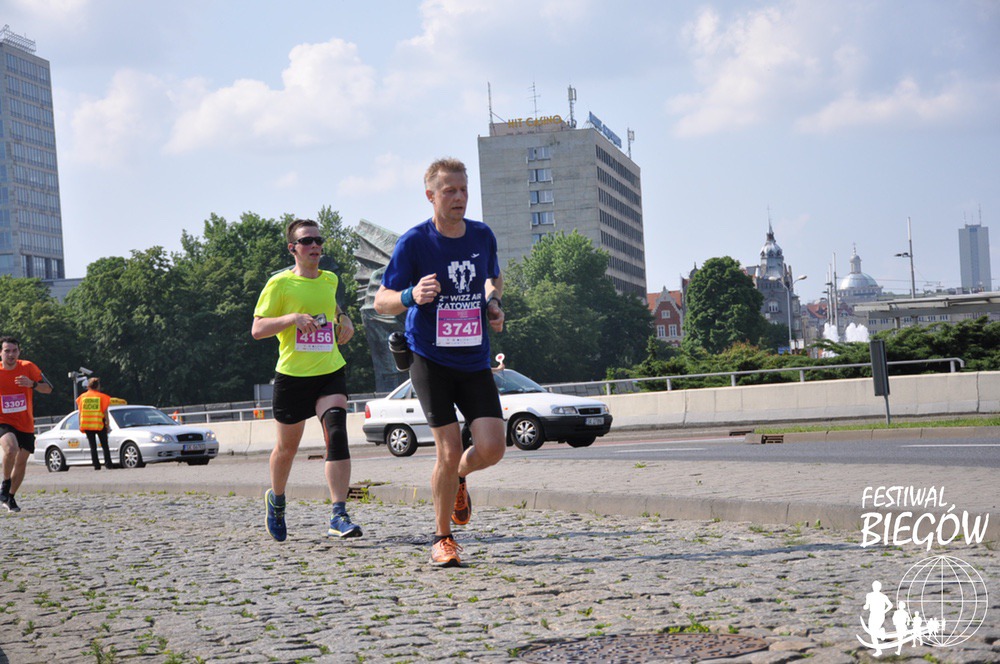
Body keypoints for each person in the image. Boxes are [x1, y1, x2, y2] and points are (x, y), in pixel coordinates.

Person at [374, 157, 506, 567]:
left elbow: (493, 277)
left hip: (473, 357)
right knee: (448, 449)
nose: (459, 197)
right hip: (429, 357)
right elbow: (381, 301)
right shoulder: (414, 242)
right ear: (430, 195)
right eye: (450, 190)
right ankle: (442, 537)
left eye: (463, 189)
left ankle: (459, 478)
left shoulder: (482, 235)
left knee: (492, 448)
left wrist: (493, 303)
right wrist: (411, 295)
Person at [252, 218, 362, 542]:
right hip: (293, 376)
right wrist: (292, 319)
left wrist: (345, 319)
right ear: (293, 248)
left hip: (329, 370)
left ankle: (338, 514)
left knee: (337, 433)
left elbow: (333, 307)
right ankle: (277, 500)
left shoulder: (330, 279)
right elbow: (257, 329)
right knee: (286, 449)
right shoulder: (280, 284)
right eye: (306, 241)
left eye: (318, 240)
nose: (315, 245)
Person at [0, 337, 53, 512]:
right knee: (11, 449)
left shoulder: (28, 367)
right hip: (3, 420)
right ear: (1, 353)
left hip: (25, 422)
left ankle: (10, 497)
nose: (11, 354)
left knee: (21, 461)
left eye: (14, 351)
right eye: (7, 351)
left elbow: (49, 389)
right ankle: (5, 483)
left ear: (19, 352)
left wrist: (32, 384)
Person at [76, 377, 115, 470]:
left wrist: (80, 424)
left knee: (92, 446)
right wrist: (107, 424)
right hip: (99, 424)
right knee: (105, 445)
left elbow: (80, 412)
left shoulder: (82, 397)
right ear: (97, 386)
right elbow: (105, 412)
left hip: (87, 424)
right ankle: (108, 464)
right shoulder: (101, 397)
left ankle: (96, 465)